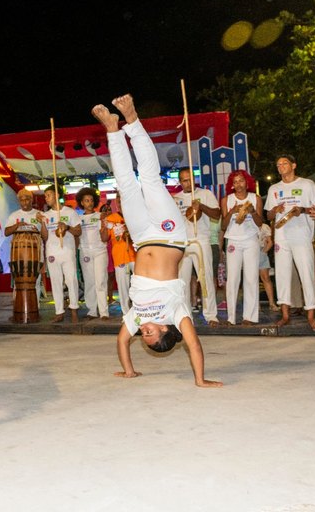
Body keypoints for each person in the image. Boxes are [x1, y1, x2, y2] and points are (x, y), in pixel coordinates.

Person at [92, 94, 221, 388]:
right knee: (149, 179)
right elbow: (195, 345)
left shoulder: (137, 318)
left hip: (140, 238)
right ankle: (133, 121)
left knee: (125, 185)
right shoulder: (176, 314)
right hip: (169, 235)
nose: (143, 334)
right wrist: (200, 380)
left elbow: (122, 342)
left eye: (144, 337)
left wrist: (129, 371)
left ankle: (113, 130)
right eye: (150, 335)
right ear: (164, 329)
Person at [264, 154, 315, 330]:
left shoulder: (307, 184)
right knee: (282, 275)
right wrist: (275, 210)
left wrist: (302, 210)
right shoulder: (274, 188)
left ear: (294, 165)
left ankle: (311, 314)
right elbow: (268, 215)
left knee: (307, 273)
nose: (281, 167)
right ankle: (285, 315)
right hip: (282, 236)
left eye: (284, 163)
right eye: (278, 164)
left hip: (302, 235)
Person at [173, 167, 221, 326]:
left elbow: (216, 214)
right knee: (182, 281)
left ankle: (211, 315)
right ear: (180, 182)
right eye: (185, 180)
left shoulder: (205, 194)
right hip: (182, 241)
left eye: (191, 179)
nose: (188, 183)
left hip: (201, 239)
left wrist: (201, 207)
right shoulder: (175, 198)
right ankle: (186, 317)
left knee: (206, 277)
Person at [220, 169, 263, 325]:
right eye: (235, 181)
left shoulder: (255, 198)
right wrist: (231, 212)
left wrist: (252, 212)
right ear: (232, 185)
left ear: (247, 182)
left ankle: (249, 317)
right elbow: (223, 226)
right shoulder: (226, 200)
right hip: (233, 241)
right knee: (232, 279)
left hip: (251, 240)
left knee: (251, 278)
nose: (238, 184)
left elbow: (260, 223)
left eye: (241, 181)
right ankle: (231, 318)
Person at [41, 185, 82, 323]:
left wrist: (67, 227)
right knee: (55, 282)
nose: (46, 198)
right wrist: (42, 223)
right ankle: (59, 311)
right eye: (45, 196)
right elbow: (44, 236)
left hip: (67, 251)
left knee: (71, 280)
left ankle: (74, 309)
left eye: (49, 195)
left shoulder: (70, 212)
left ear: (57, 195)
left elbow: (78, 231)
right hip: (52, 252)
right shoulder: (45, 215)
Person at [4, 189, 46, 304]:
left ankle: (35, 308)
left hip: (36, 252)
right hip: (19, 254)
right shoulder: (14, 215)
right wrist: (17, 226)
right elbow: (6, 232)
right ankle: (19, 307)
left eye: (27, 199)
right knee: (19, 282)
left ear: (32, 200)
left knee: (35, 281)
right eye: (22, 200)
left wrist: (41, 223)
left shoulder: (39, 214)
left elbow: (44, 236)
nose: (25, 202)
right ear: (19, 201)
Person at [76, 187, 110, 320]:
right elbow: (76, 235)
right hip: (85, 251)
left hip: (100, 251)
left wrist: (103, 226)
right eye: (86, 200)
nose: (89, 203)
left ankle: (104, 312)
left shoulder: (100, 216)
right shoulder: (78, 218)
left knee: (100, 281)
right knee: (89, 282)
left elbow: (105, 238)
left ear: (94, 202)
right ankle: (92, 311)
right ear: (81, 203)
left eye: (91, 200)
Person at [257, 222, 279, 312]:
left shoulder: (264, 226)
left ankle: (271, 303)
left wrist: (264, 252)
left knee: (266, 278)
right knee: (252, 279)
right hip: (249, 252)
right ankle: (255, 304)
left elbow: (270, 242)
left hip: (261, 252)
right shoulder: (246, 223)